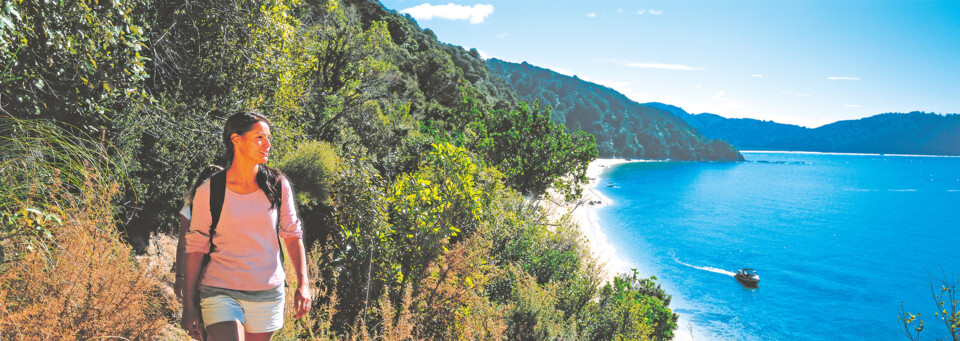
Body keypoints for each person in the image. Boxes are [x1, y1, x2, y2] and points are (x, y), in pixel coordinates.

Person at [181, 111, 311, 341]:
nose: (268, 144)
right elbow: (195, 248)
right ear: (236, 139)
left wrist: (303, 284)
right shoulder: (208, 191)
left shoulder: (278, 185)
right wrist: (189, 303)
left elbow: (292, 235)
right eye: (260, 137)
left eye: (269, 138)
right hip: (219, 289)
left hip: (267, 293)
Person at [174, 165, 224, 299]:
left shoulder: (230, 208)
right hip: (197, 272)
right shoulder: (190, 208)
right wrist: (179, 277)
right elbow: (182, 245)